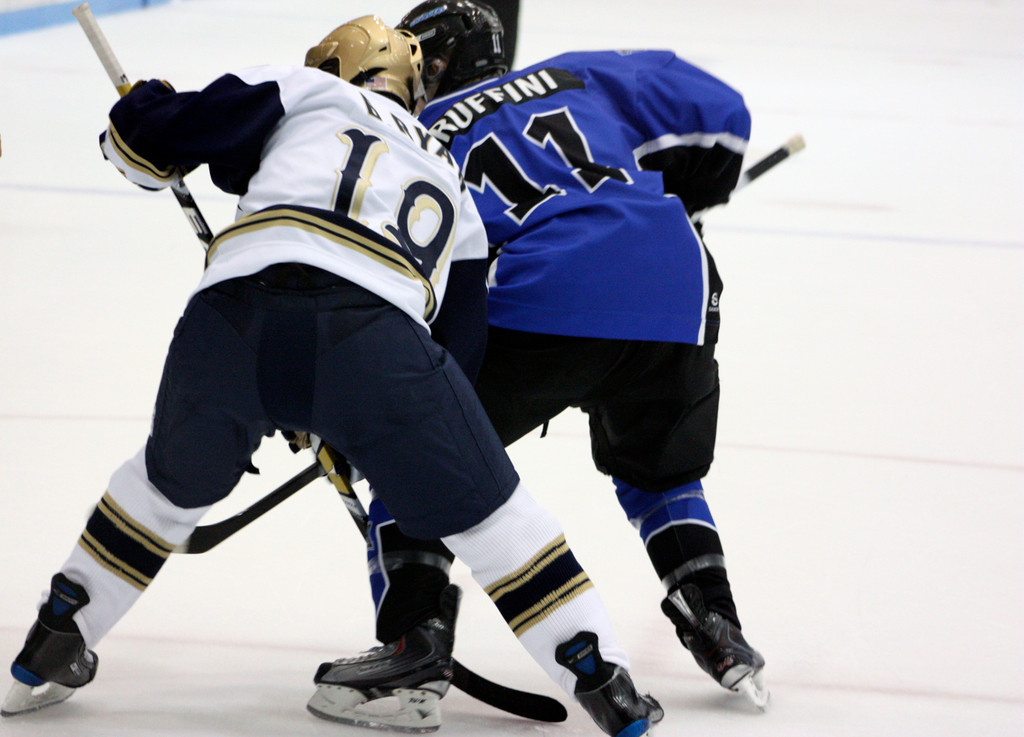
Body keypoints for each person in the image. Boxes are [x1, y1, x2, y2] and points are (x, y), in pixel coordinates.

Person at [1, 16, 663, 737]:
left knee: (161, 489)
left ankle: (54, 640)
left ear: (337, 63)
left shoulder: (309, 92)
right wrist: (357, 424)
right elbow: (458, 354)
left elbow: (151, 136)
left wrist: (142, 111)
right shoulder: (452, 178)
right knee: (496, 517)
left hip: (227, 324)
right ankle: (603, 676)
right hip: (378, 340)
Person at [308, 0, 769, 728]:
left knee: (412, 443)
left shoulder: (411, 137)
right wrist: (678, 201)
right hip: (678, 283)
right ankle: (717, 619)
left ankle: (413, 644)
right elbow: (723, 114)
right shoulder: (578, 75)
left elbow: (382, 285)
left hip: (547, 294)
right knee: (660, 468)